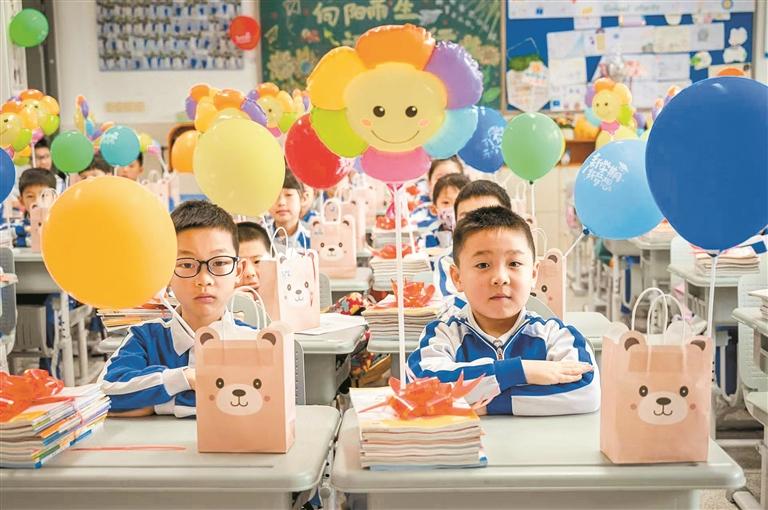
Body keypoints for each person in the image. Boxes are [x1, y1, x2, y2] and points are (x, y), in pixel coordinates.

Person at [408, 206, 599, 416]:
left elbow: (586, 390)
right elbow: (423, 386)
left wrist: (489, 404)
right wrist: (522, 371)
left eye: (514, 263)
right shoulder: (443, 334)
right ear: (457, 278)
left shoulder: (555, 334)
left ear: (533, 274)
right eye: (483, 265)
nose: (500, 278)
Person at [99, 200, 256, 417]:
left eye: (219, 263)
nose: (204, 279)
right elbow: (104, 392)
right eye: (186, 264)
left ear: (238, 271)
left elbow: (263, 402)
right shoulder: (145, 337)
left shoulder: (256, 342)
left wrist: (159, 406)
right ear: (165, 271)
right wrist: (186, 378)